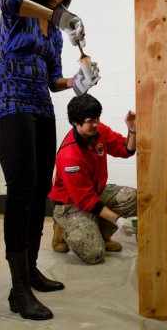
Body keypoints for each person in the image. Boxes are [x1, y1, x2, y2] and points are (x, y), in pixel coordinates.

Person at [0, 0, 99, 321]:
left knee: (39, 190)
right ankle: (18, 289)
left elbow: (53, 80)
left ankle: (31, 269)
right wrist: (60, 17)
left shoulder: (53, 33)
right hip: (9, 98)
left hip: (39, 102)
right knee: (21, 188)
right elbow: (7, 0)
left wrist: (79, 81)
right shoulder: (19, 8)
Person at [49, 94, 138, 265]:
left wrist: (132, 130)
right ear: (75, 122)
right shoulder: (69, 156)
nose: (96, 124)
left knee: (131, 196)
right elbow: (86, 201)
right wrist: (118, 220)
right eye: (90, 121)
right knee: (94, 254)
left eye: (97, 118)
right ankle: (62, 226)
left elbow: (125, 150)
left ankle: (100, 236)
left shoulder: (98, 130)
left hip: (95, 192)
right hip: (71, 204)